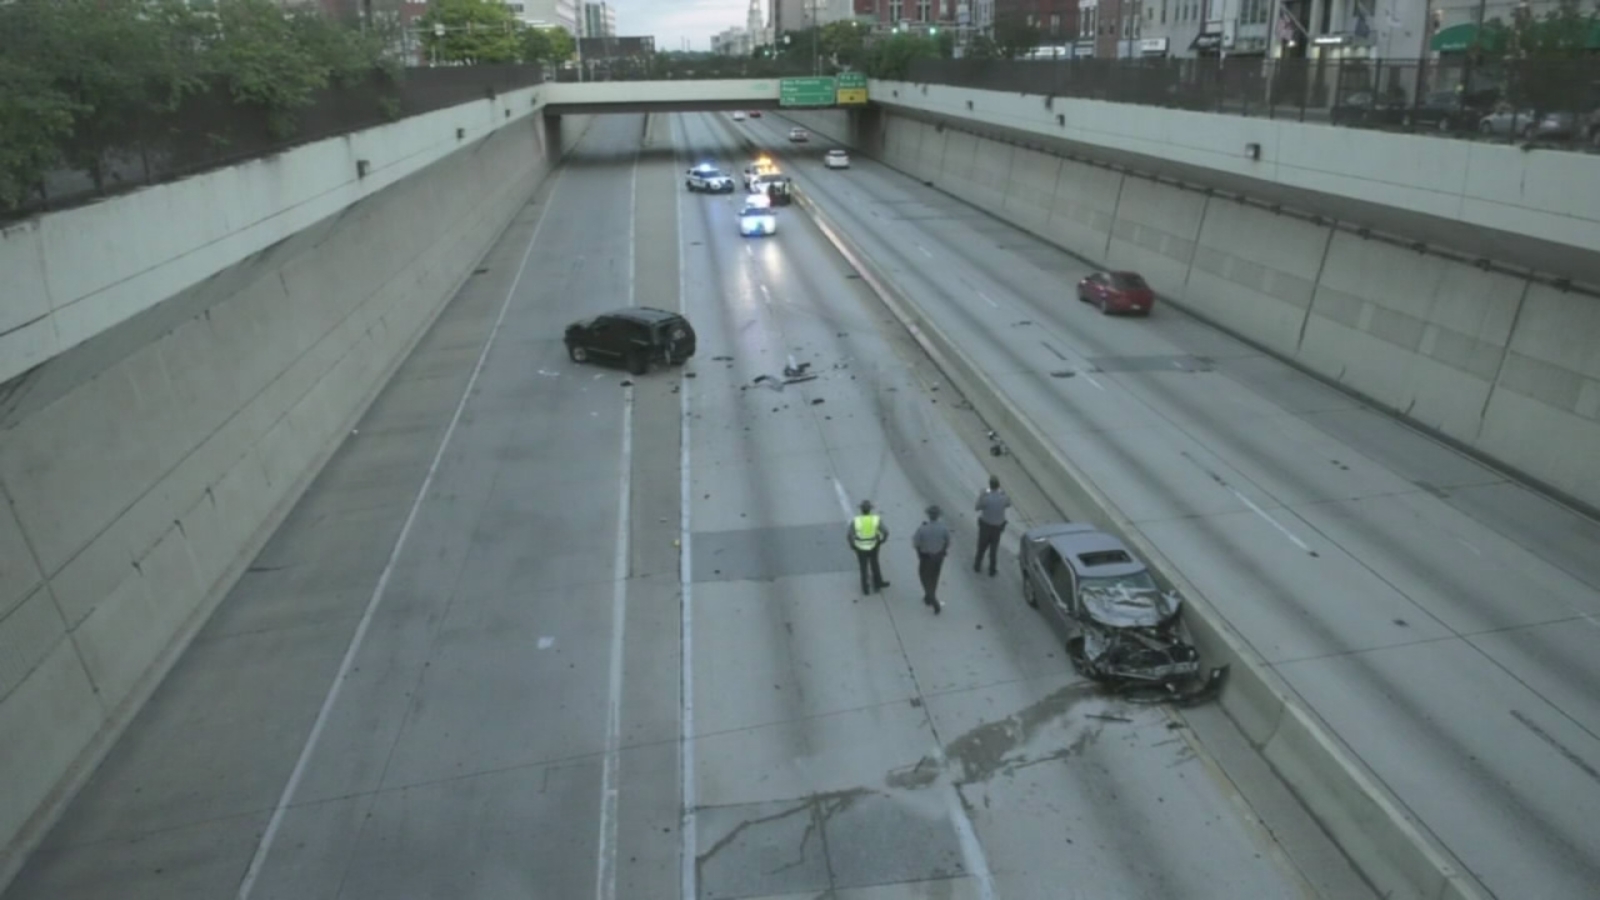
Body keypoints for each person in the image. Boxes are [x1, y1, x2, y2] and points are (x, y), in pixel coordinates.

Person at [913, 505, 952, 613]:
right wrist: (942, 550)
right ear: (938, 516)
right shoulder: (943, 528)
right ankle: (929, 596)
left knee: (924, 576)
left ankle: (932, 599)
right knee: (934, 577)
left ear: (929, 515)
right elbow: (948, 542)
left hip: (926, 557)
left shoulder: (922, 528)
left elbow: (916, 543)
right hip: (939, 557)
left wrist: (919, 554)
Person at [848, 500, 889, 595]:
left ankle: (865, 588)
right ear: (870, 509)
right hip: (873, 546)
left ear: (861, 510)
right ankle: (878, 584)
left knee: (863, 567)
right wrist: (883, 540)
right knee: (875, 564)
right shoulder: (875, 519)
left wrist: (852, 545)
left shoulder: (856, 520)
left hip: (860, 547)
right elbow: (886, 532)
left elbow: (850, 535)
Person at [974, 475, 1010, 577]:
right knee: (994, 550)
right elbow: (1009, 503)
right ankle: (992, 570)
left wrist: (982, 494)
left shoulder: (986, 498)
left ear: (990, 485)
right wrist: (1003, 493)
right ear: (998, 486)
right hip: (997, 529)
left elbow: (977, 507)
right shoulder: (1003, 498)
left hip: (985, 526)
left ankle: (977, 565)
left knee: (981, 547)